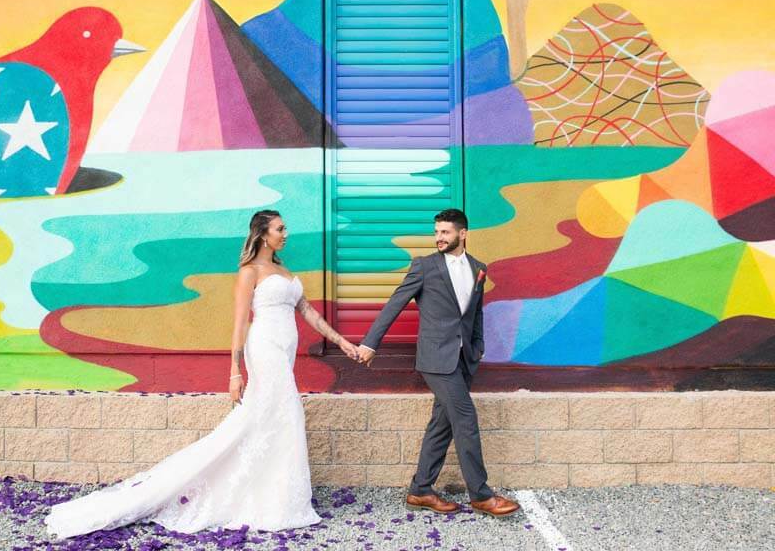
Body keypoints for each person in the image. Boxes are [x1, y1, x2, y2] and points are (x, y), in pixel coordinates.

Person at [44, 209, 360, 539]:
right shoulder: (249, 271)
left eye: (285, 228)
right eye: (280, 229)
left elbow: (306, 309)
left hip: (284, 351)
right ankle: (269, 500)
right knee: (284, 413)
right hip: (264, 348)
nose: (285, 233)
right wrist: (235, 372)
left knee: (276, 420)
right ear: (263, 234)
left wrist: (341, 341)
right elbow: (239, 322)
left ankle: (277, 497)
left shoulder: (283, 268)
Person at [357, 208, 520, 518]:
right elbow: (396, 303)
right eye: (436, 233)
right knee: (465, 418)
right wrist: (370, 342)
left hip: (464, 359)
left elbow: (475, 313)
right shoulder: (424, 267)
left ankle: (421, 489)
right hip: (435, 358)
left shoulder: (478, 268)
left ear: (463, 234)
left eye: (445, 232)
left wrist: (479, 345)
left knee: (441, 426)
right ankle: (482, 495)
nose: (438, 238)